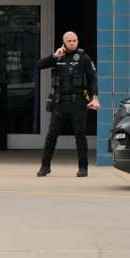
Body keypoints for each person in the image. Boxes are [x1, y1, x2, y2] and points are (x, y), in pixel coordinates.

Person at [37, 31, 99, 177]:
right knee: (51, 135)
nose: (72, 43)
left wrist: (95, 97)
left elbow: (93, 79)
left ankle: (83, 167)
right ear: (64, 42)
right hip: (59, 102)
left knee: (79, 134)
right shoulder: (59, 56)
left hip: (78, 101)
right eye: (69, 41)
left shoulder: (83, 58)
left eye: (74, 40)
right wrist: (54, 56)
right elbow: (39, 65)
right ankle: (45, 166)